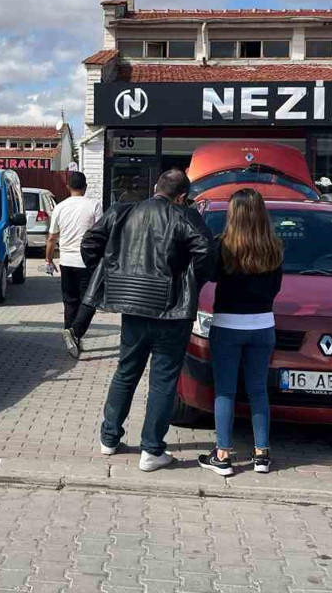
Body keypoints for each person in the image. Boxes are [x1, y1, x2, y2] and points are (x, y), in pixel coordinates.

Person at [81, 169, 214, 473]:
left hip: (132, 305)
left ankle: (109, 438)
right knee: (163, 380)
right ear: (182, 197)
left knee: (126, 372)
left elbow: (89, 245)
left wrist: (113, 273)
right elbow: (207, 251)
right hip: (172, 312)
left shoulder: (123, 212)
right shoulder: (184, 216)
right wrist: (190, 282)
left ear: (156, 187)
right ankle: (151, 450)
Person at [198, 189, 283, 477]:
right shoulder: (274, 247)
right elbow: (276, 288)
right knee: (258, 390)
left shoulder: (223, 245)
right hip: (262, 325)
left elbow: (209, 275)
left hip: (228, 324)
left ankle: (222, 455)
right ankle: (262, 454)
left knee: (225, 391)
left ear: (233, 214)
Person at [45, 172, 104, 359]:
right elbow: (100, 233)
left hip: (66, 261)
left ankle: (72, 337)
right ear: (85, 187)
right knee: (89, 301)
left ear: (68, 187)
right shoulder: (94, 205)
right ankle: (75, 333)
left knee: (70, 301)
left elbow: (52, 237)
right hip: (87, 261)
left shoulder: (60, 207)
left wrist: (48, 259)